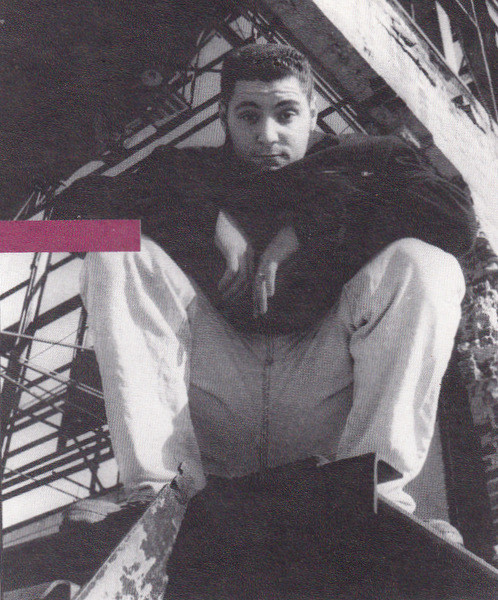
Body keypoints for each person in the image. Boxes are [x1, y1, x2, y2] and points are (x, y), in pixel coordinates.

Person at [59, 44, 476, 537]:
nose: (267, 135)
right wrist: (207, 219)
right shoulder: (184, 170)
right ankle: (157, 490)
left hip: (322, 395)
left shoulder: (370, 159)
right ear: (224, 115)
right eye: (249, 116)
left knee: (426, 265)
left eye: (286, 114)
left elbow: (456, 221)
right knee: (116, 252)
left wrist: (312, 225)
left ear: (313, 112)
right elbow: (63, 221)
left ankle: (376, 492)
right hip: (216, 398)